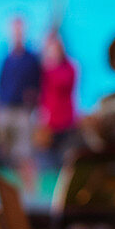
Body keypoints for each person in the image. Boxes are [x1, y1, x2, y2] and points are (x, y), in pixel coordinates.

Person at [0, 14, 41, 191]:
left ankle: (31, 190)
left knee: (24, 154)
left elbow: (37, 85)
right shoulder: (7, 58)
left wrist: (32, 108)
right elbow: (1, 84)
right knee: (5, 153)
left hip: (22, 112)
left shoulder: (31, 58)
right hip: (6, 110)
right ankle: (13, 190)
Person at [37, 31, 79, 169]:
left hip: (67, 120)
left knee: (67, 159)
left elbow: (64, 82)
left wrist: (50, 66)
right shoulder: (44, 70)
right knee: (48, 160)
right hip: (49, 122)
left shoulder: (69, 68)